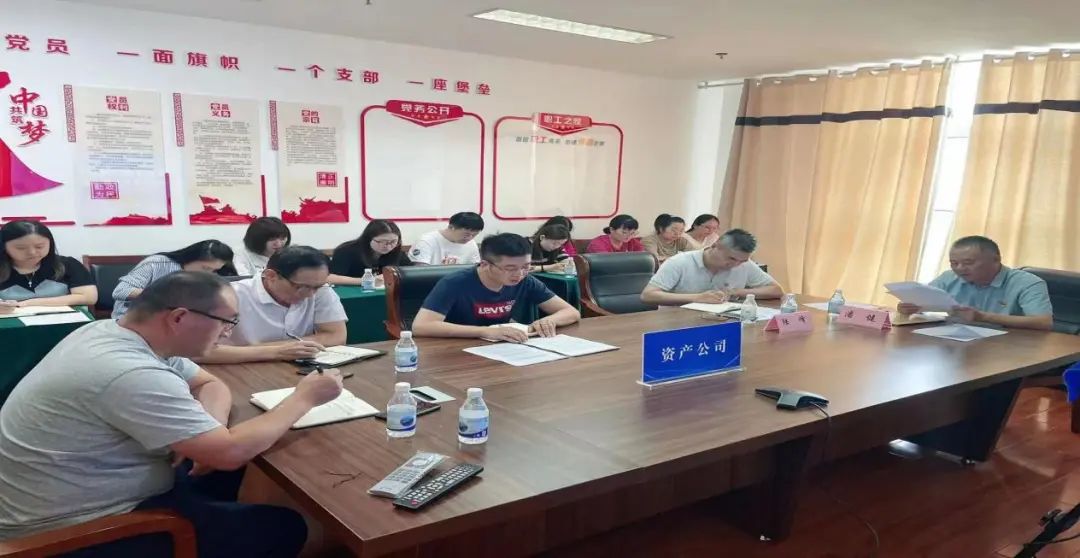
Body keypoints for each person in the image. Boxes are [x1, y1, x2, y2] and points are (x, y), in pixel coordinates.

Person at [0, 271, 343, 557]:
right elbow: (229, 453)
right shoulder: (128, 371)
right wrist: (305, 397)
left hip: (88, 486)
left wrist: (208, 430)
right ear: (179, 317)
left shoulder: (112, 331)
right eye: (227, 323)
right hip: (78, 529)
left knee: (223, 471)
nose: (228, 333)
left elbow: (210, 383)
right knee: (285, 526)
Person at [413, 233, 580, 341]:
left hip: (501, 346)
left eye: (526, 266)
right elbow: (422, 326)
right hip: (456, 348)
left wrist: (548, 321)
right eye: (510, 268)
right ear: (485, 264)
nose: (519, 274)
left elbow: (571, 312)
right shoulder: (455, 283)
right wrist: (484, 331)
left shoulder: (526, 280)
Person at [199, 245, 347, 363]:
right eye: (301, 287)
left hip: (295, 367)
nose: (310, 295)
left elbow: (336, 336)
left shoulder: (320, 290)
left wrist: (280, 349)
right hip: (236, 369)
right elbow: (199, 351)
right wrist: (277, 351)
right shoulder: (229, 295)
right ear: (271, 276)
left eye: (317, 287)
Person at [897, 236, 1053, 330]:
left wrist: (982, 316)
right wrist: (909, 307)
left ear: (995, 260)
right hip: (958, 342)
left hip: (1008, 348)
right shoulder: (949, 277)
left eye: (968, 262)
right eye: (954, 263)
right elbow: (923, 301)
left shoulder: (1028, 283)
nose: (959, 268)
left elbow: (1043, 322)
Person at [641, 228, 782, 305]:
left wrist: (736, 292)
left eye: (742, 261)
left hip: (722, 324)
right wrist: (697, 297)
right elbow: (648, 295)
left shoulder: (744, 264)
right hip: (677, 325)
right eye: (731, 258)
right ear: (715, 246)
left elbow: (776, 290)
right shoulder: (679, 262)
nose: (735, 265)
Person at [112, 240, 234, 319]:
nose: (209, 273)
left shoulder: (207, 276)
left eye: (214, 270)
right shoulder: (157, 263)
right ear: (191, 258)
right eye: (205, 268)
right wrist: (165, 296)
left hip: (175, 319)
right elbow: (121, 291)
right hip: (135, 317)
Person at [0, 220, 97, 312]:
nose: (32, 252)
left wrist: (30, 303)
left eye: (39, 246)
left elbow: (88, 297)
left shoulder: (67, 264)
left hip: (64, 320)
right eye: (21, 248)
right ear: (3, 246)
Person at [328, 219, 412, 285]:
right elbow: (330, 278)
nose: (388, 246)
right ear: (368, 239)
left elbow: (411, 272)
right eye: (380, 242)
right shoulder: (346, 251)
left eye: (393, 242)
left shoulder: (397, 251)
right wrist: (366, 281)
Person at [408, 211, 484, 265]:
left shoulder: (471, 244)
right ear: (451, 227)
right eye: (466, 234)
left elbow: (475, 268)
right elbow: (420, 272)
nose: (469, 238)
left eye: (474, 235)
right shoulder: (426, 241)